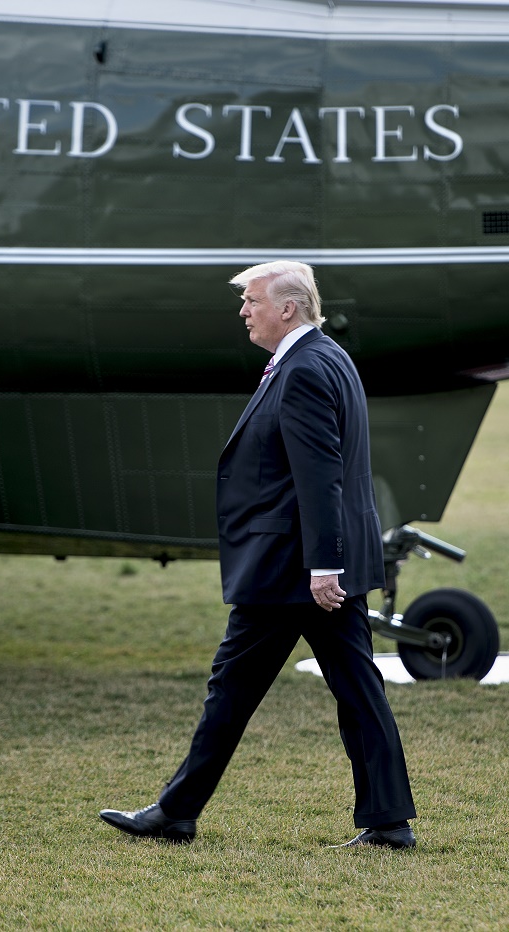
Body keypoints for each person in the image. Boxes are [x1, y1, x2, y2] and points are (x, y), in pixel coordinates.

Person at [99, 260, 417, 849]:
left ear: (287, 308)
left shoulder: (303, 370)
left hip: (291, 570)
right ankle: (388, 821)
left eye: (252, 301)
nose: (244, 311)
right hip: (312, 565)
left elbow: (321, 476)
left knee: (235, 688)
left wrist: (323, 566)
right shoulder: (327, 356)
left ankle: (175, 812)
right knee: (356, 690)